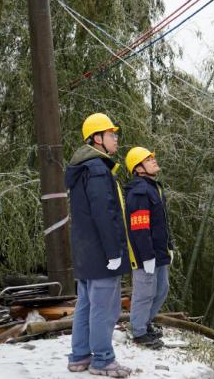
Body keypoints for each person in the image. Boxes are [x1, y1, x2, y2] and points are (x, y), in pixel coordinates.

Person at [65, 113, 136, 377]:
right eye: (111, 134)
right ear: (97, 138)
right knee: (105, 307)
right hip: (101, 253)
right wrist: (113, 253)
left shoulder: (84, 168)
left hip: (86, 253)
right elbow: (104, 214)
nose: (116, 138)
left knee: (85, 305)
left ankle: (79, 356)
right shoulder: (97, 169)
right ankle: (103, 360)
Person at [124, 147, 174, 349]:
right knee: (144, 293)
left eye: (153, 157)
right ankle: (139, 332)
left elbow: (161, 223)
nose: (154, 160)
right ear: (138, 167)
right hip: (146, 254)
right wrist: (146, 256)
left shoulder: (154, 188)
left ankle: (144, 323)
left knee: (162, 290)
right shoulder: (139, 191)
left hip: (160, 252)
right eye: (148, 158)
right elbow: (139, 228)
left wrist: (169, 246)